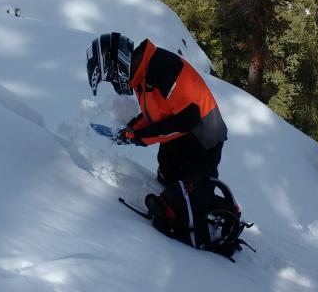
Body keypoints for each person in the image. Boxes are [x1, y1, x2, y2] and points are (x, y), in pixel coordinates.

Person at [86, 32, 228, 186]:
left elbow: (187, 120)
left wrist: (138, 136)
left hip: (202, 136)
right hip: (183, 132)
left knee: (191, 196)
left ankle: (216, 208)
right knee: (166, 177)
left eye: (111, 77)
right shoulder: (142, 74)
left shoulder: (162, 68)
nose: (114, 83)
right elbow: (159, 113)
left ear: (118, 64)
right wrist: (131, 130)